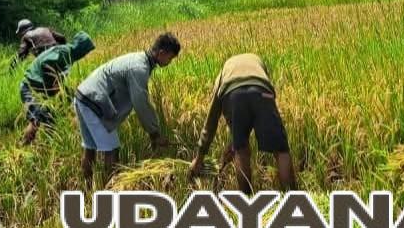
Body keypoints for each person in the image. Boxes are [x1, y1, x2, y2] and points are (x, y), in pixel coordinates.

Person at [72, 33, 181, 186]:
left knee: (90, 148)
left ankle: (87, 189)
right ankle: (111, 193)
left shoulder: (139, 60)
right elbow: (140, 102)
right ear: (161, 53)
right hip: (94, 102)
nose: (169, 62)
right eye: (170, 58)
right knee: (112, 149)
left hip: (83, 97)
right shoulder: (139, 67)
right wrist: (154, 133)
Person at [188, 53, 295, 192]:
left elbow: (212, 120)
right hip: (262, 91)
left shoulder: (223, 75)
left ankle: (246, 198)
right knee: (281, 150)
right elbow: (260, 101)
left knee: (241, 150)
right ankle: (291, 196)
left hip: (233, 95)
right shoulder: (257, 61)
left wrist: (199, 157)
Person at [20, 32, 96, 145]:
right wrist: (53, 87)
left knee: (50, 118)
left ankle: (47, 147)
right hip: (30, 88)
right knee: (36, 120)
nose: (85, 54)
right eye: (85, 51)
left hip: (39, 89)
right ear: (81, 48)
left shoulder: (68, 54)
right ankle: (22, 147)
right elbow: (46, 65)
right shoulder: (64, 52)